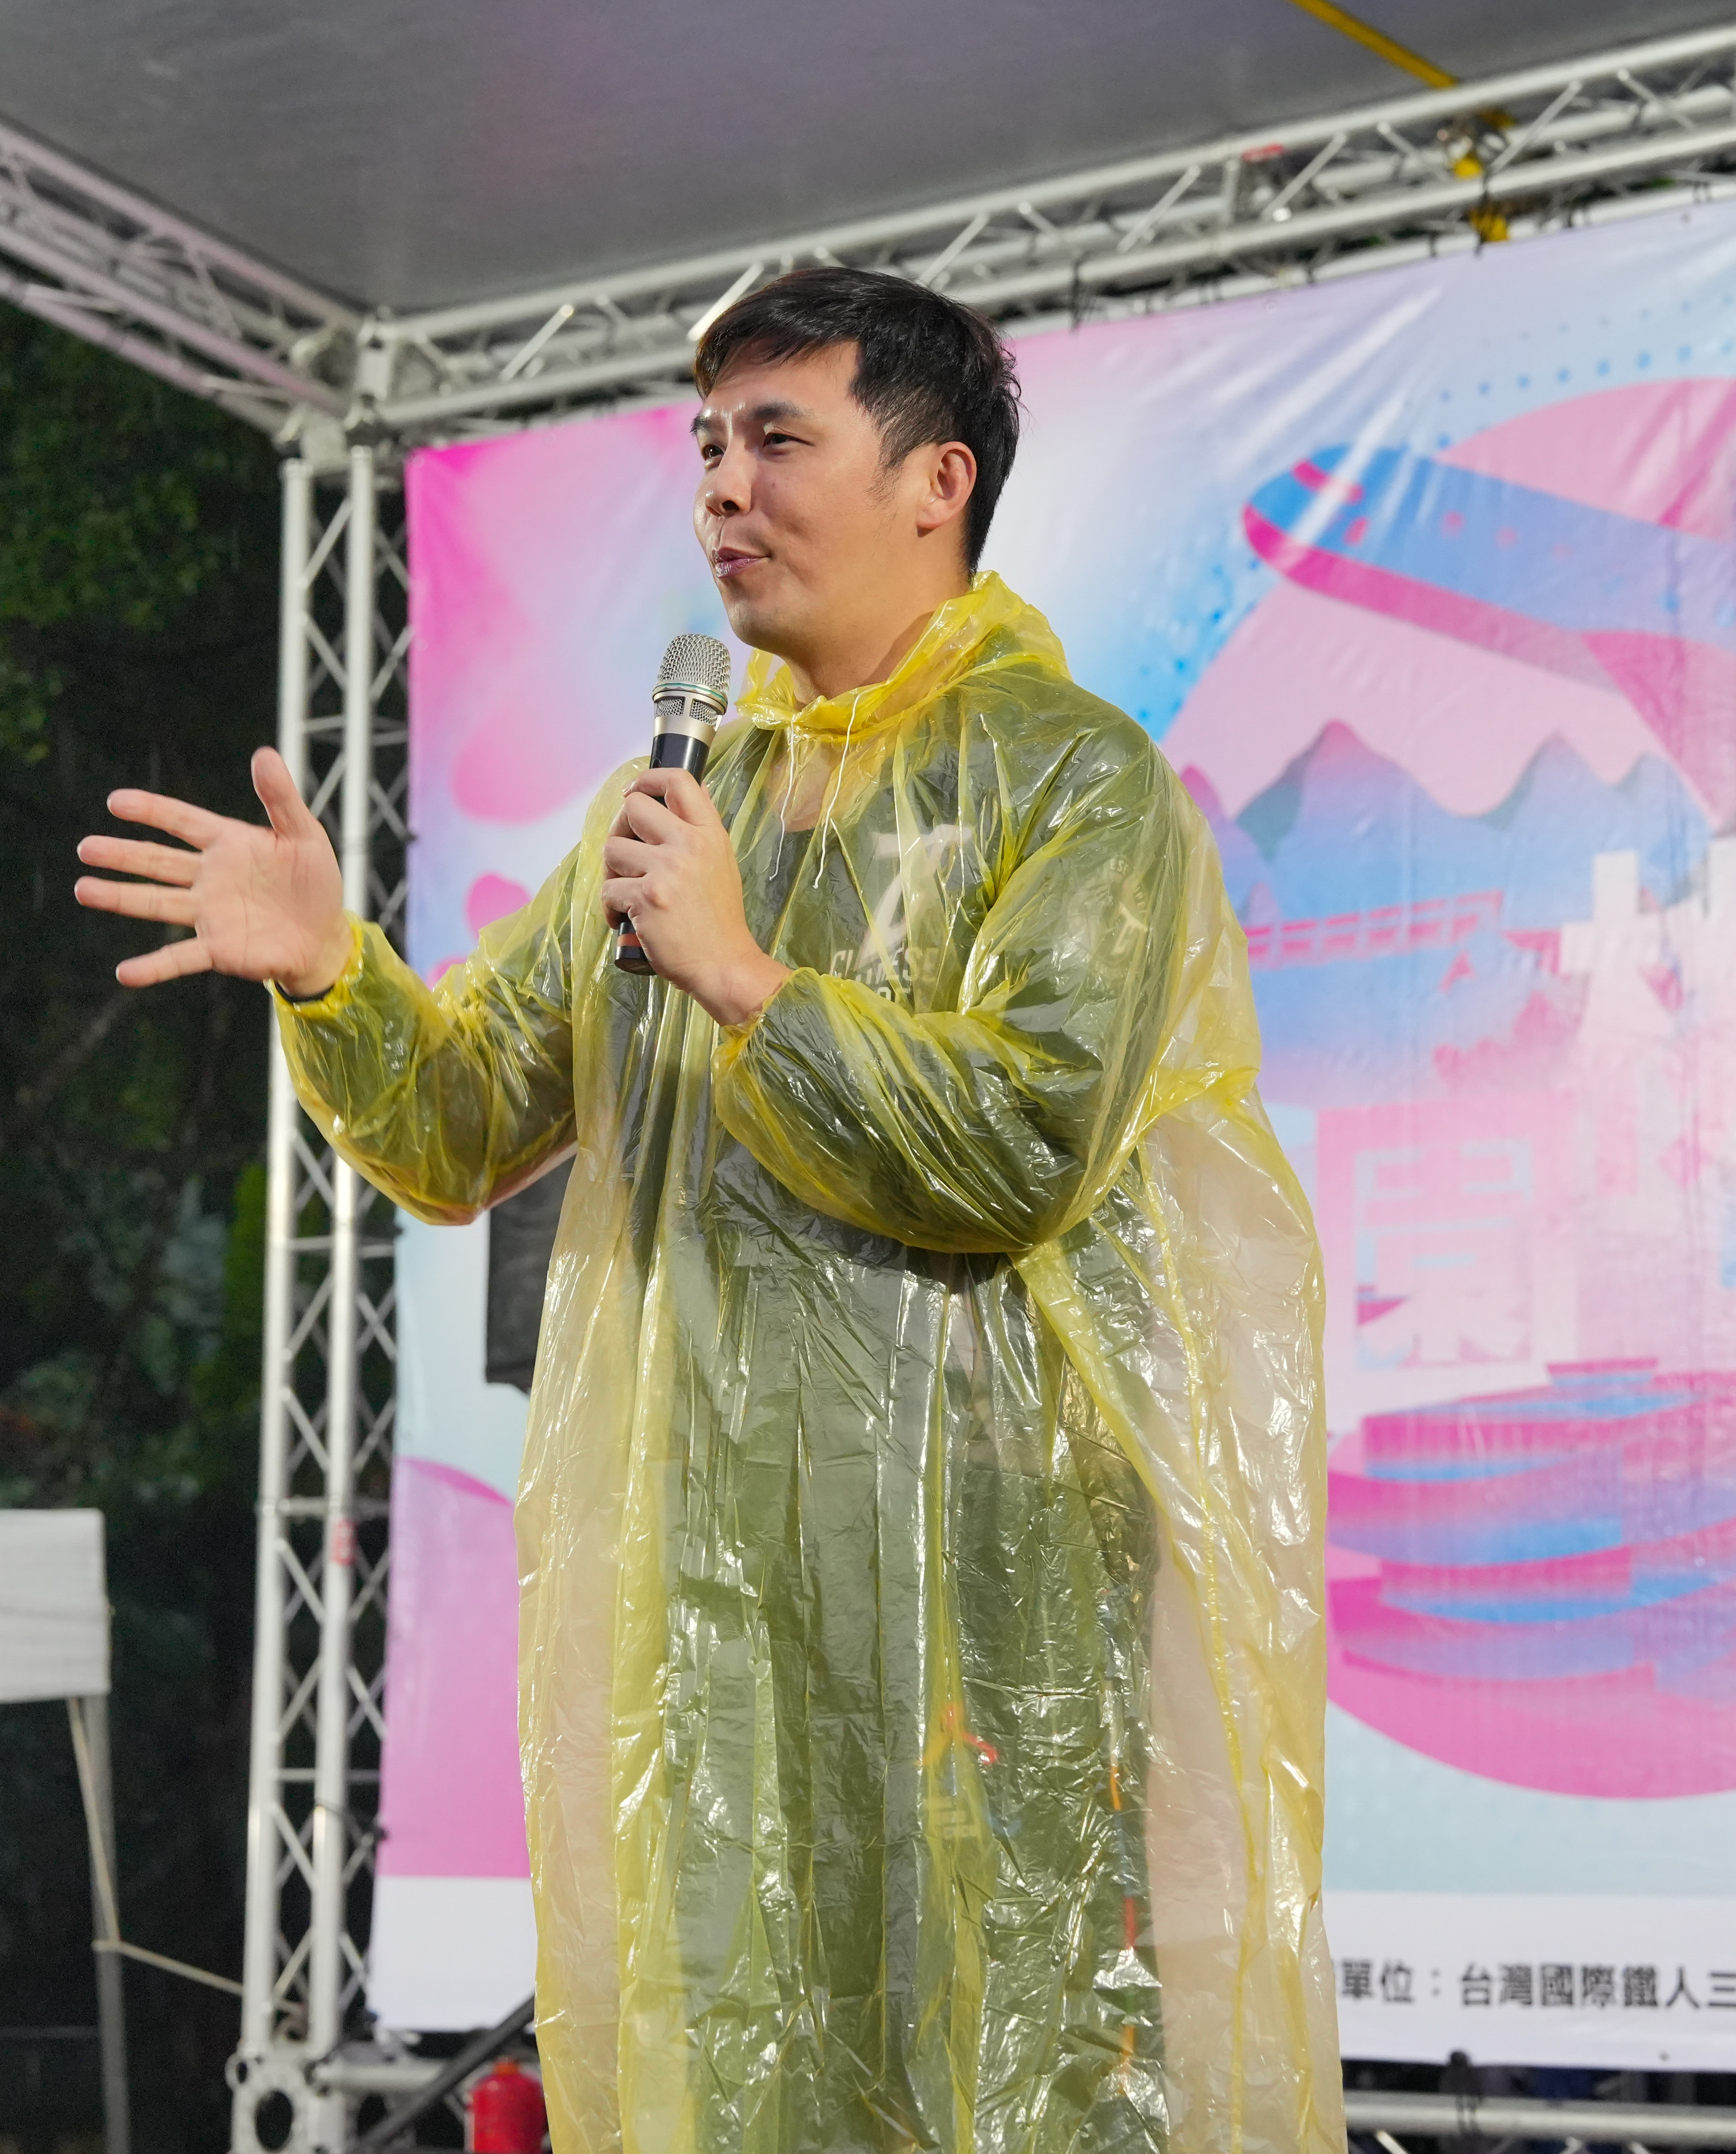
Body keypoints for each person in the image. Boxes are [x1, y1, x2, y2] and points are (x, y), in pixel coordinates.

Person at [76, 267, 1337, 2153]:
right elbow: (456, 1124)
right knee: (719, 2083)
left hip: (984, 1631)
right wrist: (332, 975)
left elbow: (1023, 1143)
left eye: (776, 440)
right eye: (705, 447)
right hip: (700, 1626)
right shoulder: (669, 802)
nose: (722, 490)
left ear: (936, 481)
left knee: (1005, 2083)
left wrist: (747, 981)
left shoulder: (1075, 782)